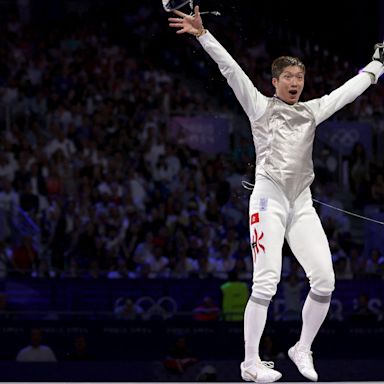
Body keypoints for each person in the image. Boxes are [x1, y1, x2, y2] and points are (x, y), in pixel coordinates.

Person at [168, 6, 384, 383]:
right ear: (275, 81)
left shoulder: (312, 111)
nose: (295, 81)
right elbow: (231, 69)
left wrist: (377, 66)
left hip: (301, 203)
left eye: (300, 76)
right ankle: (250, 363)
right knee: (267, 280)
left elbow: (348, 92)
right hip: (268, 200)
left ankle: (302, 348)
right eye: (288, 76)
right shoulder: (259, 107)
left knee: (325, 280)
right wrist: (203, 35)